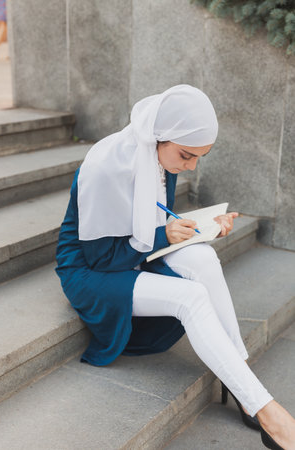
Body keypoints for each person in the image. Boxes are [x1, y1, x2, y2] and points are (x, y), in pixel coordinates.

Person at [55, 85, 295, 449]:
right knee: (191, 297)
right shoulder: (106, 165)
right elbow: (101, 257)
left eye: (200, 157)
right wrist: (166, 235)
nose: (191, 166)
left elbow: (152, 221)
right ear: (160, 137)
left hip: (130, 253)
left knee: (203, 257)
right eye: (186, 155)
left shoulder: (159, 155)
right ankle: (267, 410)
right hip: (90, 271)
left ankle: (241, 380)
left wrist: (205, 226)